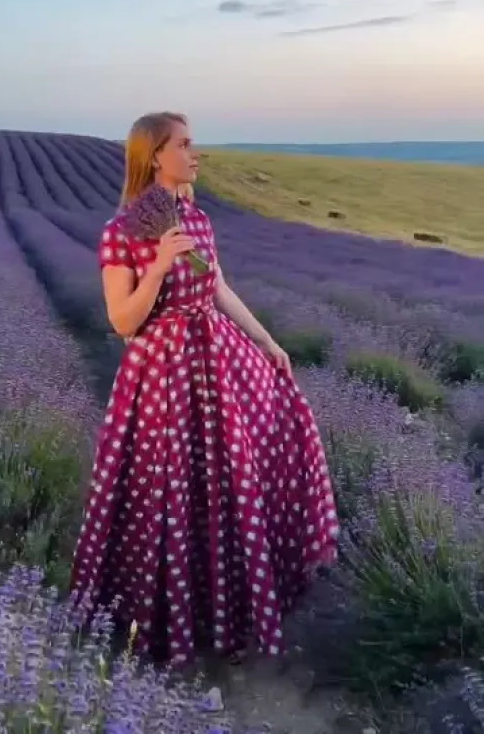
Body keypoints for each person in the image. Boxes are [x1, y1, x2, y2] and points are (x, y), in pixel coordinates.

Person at [70, 111, 339, 665]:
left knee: (232, 480)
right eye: (185, 144)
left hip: (216, 360)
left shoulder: (197, 219)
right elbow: (122, 321)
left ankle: (233, 613)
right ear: (155, 157)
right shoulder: (123, 231)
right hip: (161, 370)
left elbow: (217, 288)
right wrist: (158, 265)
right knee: (164, 490)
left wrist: (267, 342)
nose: (197, 153)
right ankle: (159, 625)